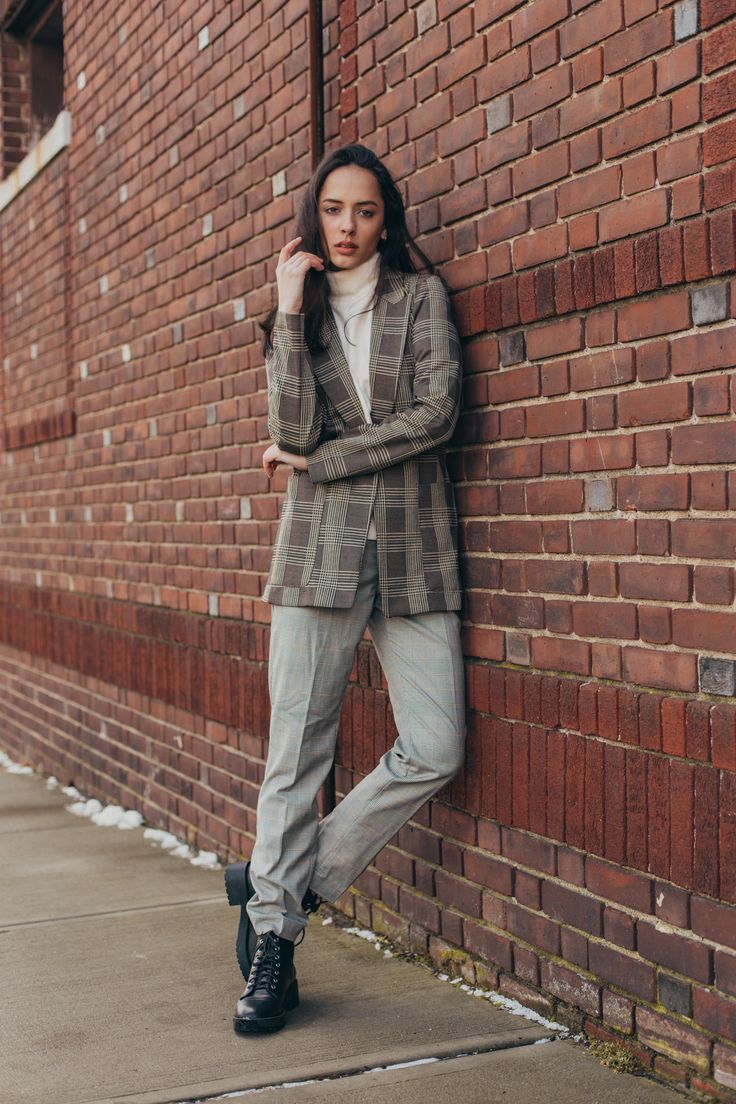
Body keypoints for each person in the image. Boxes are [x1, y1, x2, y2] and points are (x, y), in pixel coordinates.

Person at [224, 143, 466, 1034]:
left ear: (386, 218)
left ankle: (283, 883)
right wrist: (288, 311)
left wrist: (323, 461)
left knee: (436, 746)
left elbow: (436, 416)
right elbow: (287, 424)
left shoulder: (422, 300)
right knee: (297, 752)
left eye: (365, 211)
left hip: (413, 552)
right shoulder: (301, 316)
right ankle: (272, 949)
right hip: (316, 556)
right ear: (314, 219)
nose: (350, 227)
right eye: (334, 210)